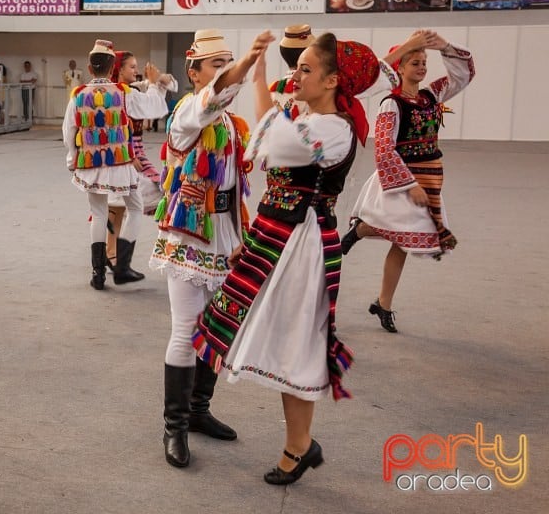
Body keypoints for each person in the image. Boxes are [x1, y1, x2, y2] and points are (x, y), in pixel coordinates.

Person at [193, 33, 386, 485]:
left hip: (303, 246)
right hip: (280, 234)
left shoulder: (333, 129)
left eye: (305, 69)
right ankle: (297, 443)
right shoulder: (311, 116)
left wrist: (259, 75)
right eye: (296, 67)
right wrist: (257, 235)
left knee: (295, 346)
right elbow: (273, 158)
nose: (295, 76)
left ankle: (299, 446)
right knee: (280, 342)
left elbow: (268, 141)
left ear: (334, 80)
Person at [151, 29, 273, 469]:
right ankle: (175, 426)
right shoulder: (189, 110)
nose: (222, 72)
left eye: (227, 63)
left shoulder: (226, 122)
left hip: (222, 232)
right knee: (186, 330)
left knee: (218, 329)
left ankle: (199, 411)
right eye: (215, 65)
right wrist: (243, 66)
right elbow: (213, 98)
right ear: (194, 70)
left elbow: (233, 184)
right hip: (189, 236)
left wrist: (240, 236)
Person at [341, 31, 475, 333]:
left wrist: (446, 47)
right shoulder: (391, 104)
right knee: (403, 234)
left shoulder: (431, 96)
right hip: (401, 177)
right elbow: (384, 148)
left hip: (428, 176)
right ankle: (360, 229)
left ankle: (383, 303)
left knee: (403, 240)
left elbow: (463, 76)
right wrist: (408, 184)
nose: (422, 67)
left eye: (424, 62)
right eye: (415, 62)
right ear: (399, 68)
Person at [62, 39, 168, 290]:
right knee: (135, 206)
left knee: (98, 213)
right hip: (120, 163)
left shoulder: (78, 95)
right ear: (112, 69)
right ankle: (121, 266)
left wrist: (72, 158)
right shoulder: (123, 92)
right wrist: (153, 85)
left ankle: (98, 272)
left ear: (89, 68)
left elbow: (69, 131)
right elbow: (153, 108)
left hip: (90, 164)